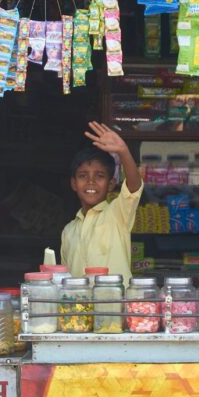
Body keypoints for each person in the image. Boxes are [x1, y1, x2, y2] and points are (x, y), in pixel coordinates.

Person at [60, 121, 143, 285]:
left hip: (114, 308)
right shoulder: (69, 231)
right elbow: (65, 280)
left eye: (99, 176)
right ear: (73, 183)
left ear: (111, 184)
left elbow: (134, 187)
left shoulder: (117, 215)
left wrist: (123, 151)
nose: (91, 182)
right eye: (83, 176)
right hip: (79, 308)